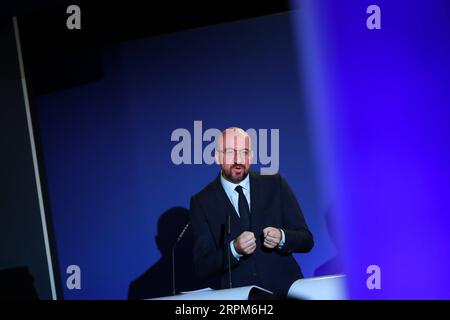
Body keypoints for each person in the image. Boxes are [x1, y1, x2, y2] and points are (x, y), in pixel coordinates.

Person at [189, 127, 314, 295]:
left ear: (252, 156)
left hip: (287, 292)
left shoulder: (275, 183)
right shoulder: (202, 201)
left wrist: (282, 237)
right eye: (230, 152)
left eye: (244, 152)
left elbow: (306, 240)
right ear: (217, 156)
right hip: (240, 299)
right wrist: (233, 249)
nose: (238, 160)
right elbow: (202, 265)